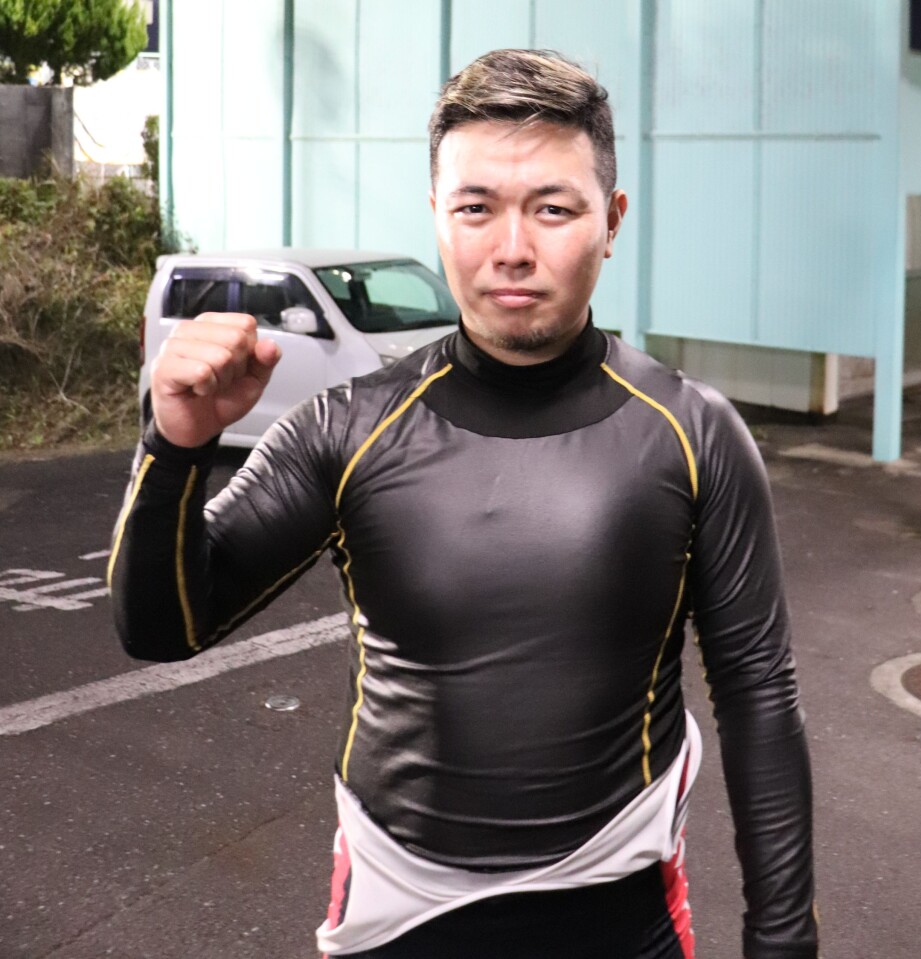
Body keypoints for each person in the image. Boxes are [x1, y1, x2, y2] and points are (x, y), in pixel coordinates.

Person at [109, 49, 817, 959]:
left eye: (553, 208)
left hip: (620, 922)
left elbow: (759, 696)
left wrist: (783, 941)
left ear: (611, 221)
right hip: (397, 918)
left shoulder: (694, 432)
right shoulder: (349, 427)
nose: (512, 248)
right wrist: (175, 447)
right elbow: (161, 627)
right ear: (438, 215)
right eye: (476, 207)